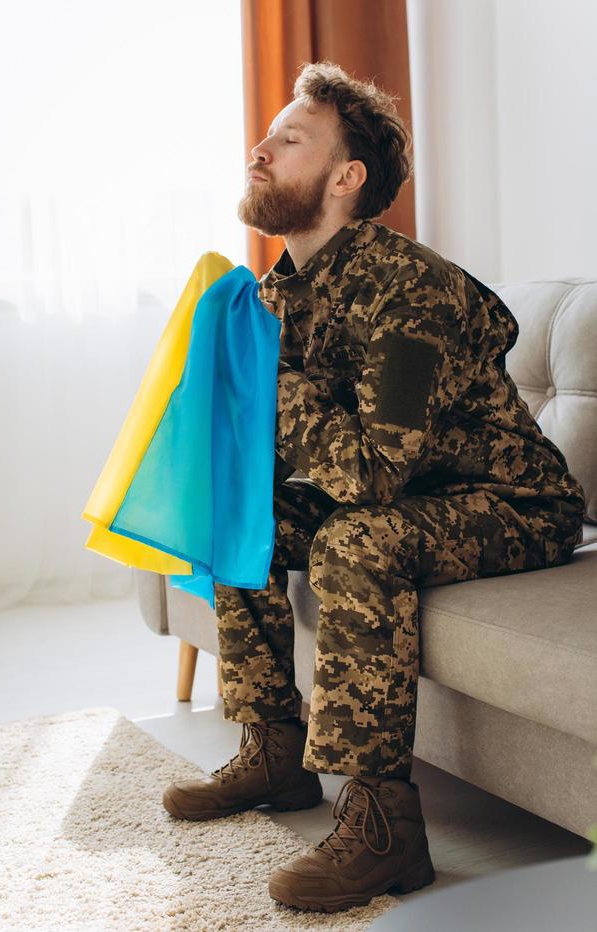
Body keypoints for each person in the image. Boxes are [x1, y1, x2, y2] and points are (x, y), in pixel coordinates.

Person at [162, 60, 586, 914]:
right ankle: (276, 749)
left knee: (356, 541)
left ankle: (385, 824)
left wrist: (275, 384)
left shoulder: (412, 291)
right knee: (243, 513)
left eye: (290, 141)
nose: (260, 150)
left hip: (511, 503)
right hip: (421, 493)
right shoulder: (281, 293)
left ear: (346, 179)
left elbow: (369, 475)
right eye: (267, 137)